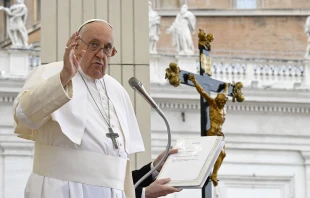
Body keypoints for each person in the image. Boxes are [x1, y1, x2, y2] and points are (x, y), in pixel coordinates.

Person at [12, 19, 181, 198]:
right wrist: (64, 77)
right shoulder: (51, 73)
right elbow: (25, 115)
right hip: (61, 191)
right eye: (94, 45)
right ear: (76, 46)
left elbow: (112, 175)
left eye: (107, 48)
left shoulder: (117, 91)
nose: (101, 54)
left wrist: (153, 169)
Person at [188, 74, 229, 186]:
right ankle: (213, 174)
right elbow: (202, 92)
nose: (222, 104)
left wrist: (226, 86)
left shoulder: (222, 105)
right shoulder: (213, 103)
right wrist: (194, 81)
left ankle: (215, 174)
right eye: (220, 102)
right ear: (217, 100)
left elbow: (225, 93)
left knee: (223, 154)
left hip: (220, 133)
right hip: (212, 132)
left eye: (223, 102)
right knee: (217, 154)